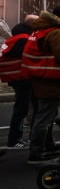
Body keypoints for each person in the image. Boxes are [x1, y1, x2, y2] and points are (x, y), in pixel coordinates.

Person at [22, 6, 60, 164]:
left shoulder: (42, 29)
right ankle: (36, 154)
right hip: (49, 81)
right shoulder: (55, 32)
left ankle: (48, 146)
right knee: (44, 118)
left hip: (42, 78)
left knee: (47, 115)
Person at [0, 19, 37, 148]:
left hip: (17, 78)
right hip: (23, 79)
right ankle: (14, 140)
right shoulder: (24, 40)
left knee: (22, 108)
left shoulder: (16, 38)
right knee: (21, 109)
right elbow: (28, 58)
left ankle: (16, 138)